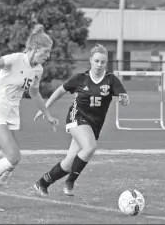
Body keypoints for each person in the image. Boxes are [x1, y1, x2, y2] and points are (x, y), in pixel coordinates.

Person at [0, 24, 59, 211]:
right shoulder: (16, 59)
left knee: (9, 166)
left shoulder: (38, 70)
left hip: (11, 113)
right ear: (34, 49)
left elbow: (34, 94)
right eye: (45, 52)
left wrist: (48, 115)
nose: (48, 56)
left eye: (49, 52)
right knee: (13, 156)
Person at [33, 44, 130, 196]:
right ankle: (70, 182)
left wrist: (124, 99)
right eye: (97, 61)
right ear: (91, 60)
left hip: (94, 125)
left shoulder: (111, 80)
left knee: (69, 163)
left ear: (106, 63)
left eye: (103, 62)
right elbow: (60, 90)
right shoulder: (81, 78)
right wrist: (45, 108)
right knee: (90, 147)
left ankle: (42, 182)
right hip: (77, 117)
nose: (99, 65)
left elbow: (124, 96)